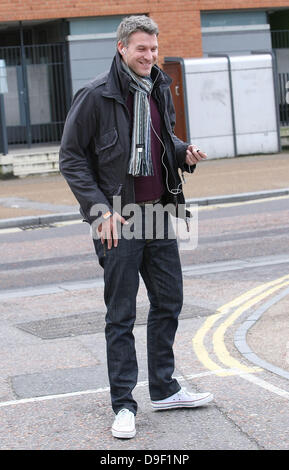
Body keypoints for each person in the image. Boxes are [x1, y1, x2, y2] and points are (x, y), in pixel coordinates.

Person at [59, 15, 213, 440]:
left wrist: (186, 152)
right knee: (121, 314)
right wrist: (99, 211)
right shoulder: (94, 96)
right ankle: (124, 405)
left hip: (159, 212)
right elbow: (71, 158)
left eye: (154, 48)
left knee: (169, 301)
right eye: (142, 48)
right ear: (122, 48)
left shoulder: (159, 87)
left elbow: (163, 140)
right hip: (118, 218)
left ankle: (164, 388)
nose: (150, 55)